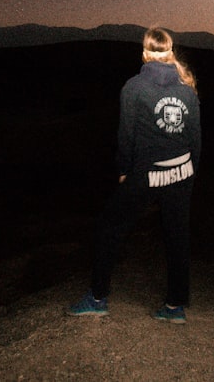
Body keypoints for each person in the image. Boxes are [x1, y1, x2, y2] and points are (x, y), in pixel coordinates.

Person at [67, 27, 201, 323]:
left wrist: (125, 170)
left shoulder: (134, 87)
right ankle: (175, 307)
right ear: (170, 53)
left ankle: (97, 299)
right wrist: (190, 175)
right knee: (177, 236)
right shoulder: (186, 89)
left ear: (144, 53)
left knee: (108, 228)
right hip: (182, 171)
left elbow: (126, 136)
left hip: (149, 173)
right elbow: (196, 140)